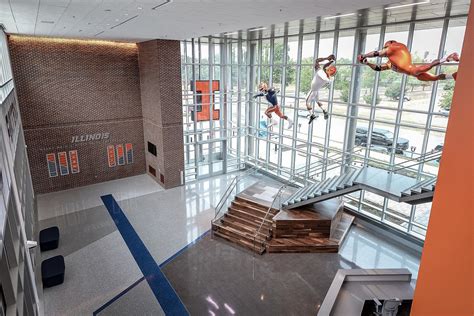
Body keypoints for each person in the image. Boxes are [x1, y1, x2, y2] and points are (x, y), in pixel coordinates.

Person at [358, 40, 459, 81]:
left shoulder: (393, 47)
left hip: (412, 70)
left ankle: (448, 58)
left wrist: (364, 55)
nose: (384, 51)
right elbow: (378, 68)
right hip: (413, 75)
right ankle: (452, 76)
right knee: (435, 78)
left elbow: (376, 53)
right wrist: (367, 63)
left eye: (385, 48)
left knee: (429, 66)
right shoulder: (390, 63)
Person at [306, 54, 337, 124]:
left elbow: (317, 61)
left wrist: (327, 58)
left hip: (313, 90)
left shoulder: (320, 72)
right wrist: (330, 61)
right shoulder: (329, 78)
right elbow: (325, 67)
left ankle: (312, 115)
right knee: (317, 101)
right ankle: (325, 110)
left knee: (307, 102)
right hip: (316, 90)